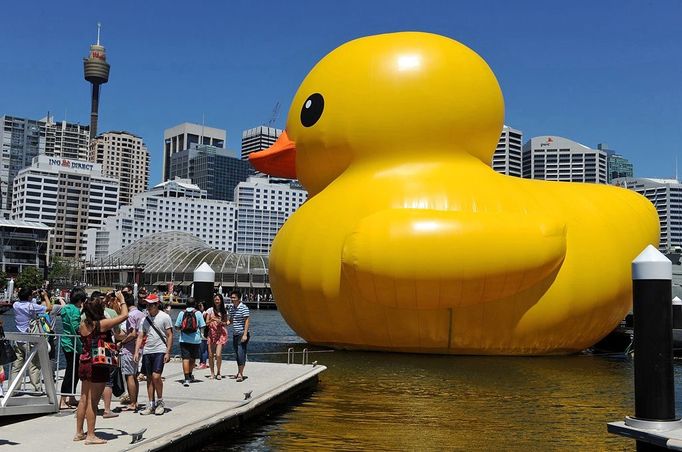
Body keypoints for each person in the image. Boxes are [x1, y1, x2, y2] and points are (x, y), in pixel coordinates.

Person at [74, 292, 128, 444]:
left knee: (84, 398)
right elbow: (124, 316)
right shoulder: (101, 324)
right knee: (93, 401)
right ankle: (91, 435)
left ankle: (79, 432)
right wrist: (122, 301)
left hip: (84, 362)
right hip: (97, 364)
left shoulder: (83, 324)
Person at [134, 294, 172, 415]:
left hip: (160, 349)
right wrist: (136, 351)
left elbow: (170, 335)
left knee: (156, 376)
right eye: (147, 305)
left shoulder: (164, 317)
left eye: (150, 305)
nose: (148, 307)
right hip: (148, 350)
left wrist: (168, 352)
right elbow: (140, 336)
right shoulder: (145, 319)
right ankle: (151, 404)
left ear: (156, 305)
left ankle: (160, 401)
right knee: (149, 378)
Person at [11, 287, 53, 392]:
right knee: (34, 365)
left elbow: (26, 299)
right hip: (30, 339)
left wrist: (30, 293)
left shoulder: (15, 305)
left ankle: (14, 389)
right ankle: (37, 388)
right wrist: (45, 296)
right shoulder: (31, 306)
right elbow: (49, 308)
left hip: (18, 339)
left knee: (17, 365)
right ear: (30, 296)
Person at [58, 287, 85, 410]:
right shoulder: (75, 311)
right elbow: (76, 327)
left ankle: (71, 397)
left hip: (65, 341)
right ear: (79, 300)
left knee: (74, 371)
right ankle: (63, 400)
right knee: (70, 371)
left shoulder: (65, 308)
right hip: (73, 344)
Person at [101, 291, 127, 418]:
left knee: (90, 382)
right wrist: (122, 300)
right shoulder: (108, 316)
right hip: (105, 351)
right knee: (107, 381)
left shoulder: (85, 319)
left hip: (89, 353)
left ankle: (90, 407)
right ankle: (106, 409)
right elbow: (124, 317)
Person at [119, 291, 145, 412]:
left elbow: (133, 333)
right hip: (139, 348)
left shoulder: (130, 315)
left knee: (129, 375)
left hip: (129, 349)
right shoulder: (141, 313)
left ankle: (133, 402)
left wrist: (122, 341)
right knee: (134, 375)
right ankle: (135, 401)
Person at [174, 298, 206, 387]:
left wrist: (182, 329)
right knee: (192, 358)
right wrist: (202, 335)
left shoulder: (182, 313)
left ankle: (186, 378)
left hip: (184, 339)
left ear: (186, 304)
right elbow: (202, 326)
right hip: (195, 340)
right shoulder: (198, 313)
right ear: (195, 304)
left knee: (185, 359)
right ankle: (190, 374)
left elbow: (176, 326)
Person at [204, 294, 228, 380]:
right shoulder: (210, 310)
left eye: (218, 299)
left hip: (220, 333)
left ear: (221, 300)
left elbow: (226, 323)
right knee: (210, 355)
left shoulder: (223, 311)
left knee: (218, 355)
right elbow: (206, 323)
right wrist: (212, 319)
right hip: (211, 334)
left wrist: (220, 322)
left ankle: (218, 372)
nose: (217, 301)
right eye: (215, 299)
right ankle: (212, 373)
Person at [227, 290, 250, 382]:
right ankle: (239, 372)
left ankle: (241, 374)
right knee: (237, 354)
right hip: (235, 334)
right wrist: (223, 323)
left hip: (242, 333)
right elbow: (231, 320)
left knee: (241, 353)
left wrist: (245, 334)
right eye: (231, 297)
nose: (232, 299)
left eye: (234, 298)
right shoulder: (232, 308)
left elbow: (247, 321)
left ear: (238, 298)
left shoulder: (244, 307)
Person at [196, 300, 209, 370]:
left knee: (203, 349)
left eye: (201, 306)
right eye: (199, 306)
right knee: (201, 349)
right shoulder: (200, 313)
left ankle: (203, 362)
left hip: (204, 333)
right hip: (200, 333)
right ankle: (201, 362)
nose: (199, 307)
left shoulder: (205, 314)